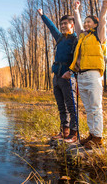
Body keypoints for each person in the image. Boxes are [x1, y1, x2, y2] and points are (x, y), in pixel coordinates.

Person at [67, 0, 107, 148]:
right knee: (88, 108)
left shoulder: (98, 36)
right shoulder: (83, 36)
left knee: (95, 107)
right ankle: (93, 135)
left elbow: (103, 19)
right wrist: (76, 11)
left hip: (94, 75)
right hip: (81, 75)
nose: (86, 24)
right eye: (86, 21)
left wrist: (106, 2)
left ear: (95, 24)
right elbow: (79, 26)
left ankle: (98, 138)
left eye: (90, 22)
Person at [37, 9, 78, 143]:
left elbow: (79, 58)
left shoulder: (75, 39)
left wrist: (71, 72)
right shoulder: (60, 37)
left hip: (68, 77)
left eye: (65, 23)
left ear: (72, 25)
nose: (62, 26)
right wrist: (42, 15)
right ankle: (64, 131)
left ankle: (73, 133)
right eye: (61, 24)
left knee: (71, 106)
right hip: (57, 77)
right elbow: (51, 27)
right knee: (61, 107)